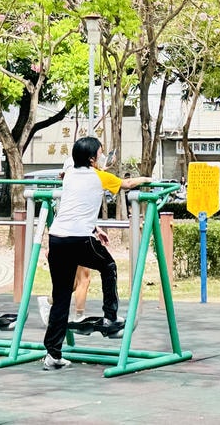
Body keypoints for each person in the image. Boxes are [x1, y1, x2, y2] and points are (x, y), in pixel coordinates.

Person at [42, 136, 150, 371]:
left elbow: (78, 204)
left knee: (61, 297)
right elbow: (128, 184)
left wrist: (96, 228)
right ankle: (110, 316)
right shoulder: (99, 177)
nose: (103, 157)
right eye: (100, 153)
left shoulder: (69, 174)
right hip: (79, 240)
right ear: (92, 159)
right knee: (108, 266)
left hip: (57, 238)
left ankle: (52, 355)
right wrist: (149, 179)